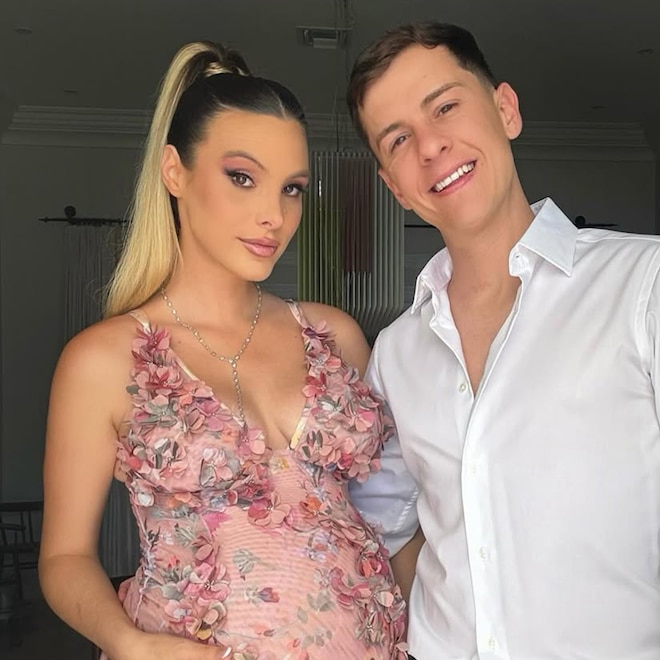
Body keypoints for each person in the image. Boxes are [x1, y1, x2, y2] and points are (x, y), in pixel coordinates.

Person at [39, 40, 408, 660]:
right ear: (174, 171)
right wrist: (130, 644)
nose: (274, 215)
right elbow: (64, 558)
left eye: (292, 188)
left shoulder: (334, 335)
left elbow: (398, 520)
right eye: (242, 178)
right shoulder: (103, 360)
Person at [345, 20, 660, 660]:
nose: (431, 145)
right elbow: (377, 527)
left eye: (445, 107)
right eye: (399, 139)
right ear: (393, 186)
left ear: (506, 110)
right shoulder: (397, 353)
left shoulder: (642, 285)